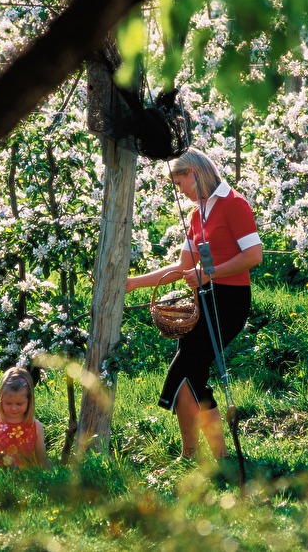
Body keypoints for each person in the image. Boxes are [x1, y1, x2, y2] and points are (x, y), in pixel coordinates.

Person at [125, 148, 262, 462]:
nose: (180, 191)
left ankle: (202, 454)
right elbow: (182, 267)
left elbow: (253, 257)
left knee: (184, 374)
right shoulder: (197, 214)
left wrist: (208, 272)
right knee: (192, 378)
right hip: (202, 301)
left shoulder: (234, 204)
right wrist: (133, 283)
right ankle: (209, 455)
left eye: (180, 182)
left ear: (195, 173)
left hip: (229, 303)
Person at [0, 367, 50, 469]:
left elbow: (42, 459)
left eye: (20, 404)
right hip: (0, 481)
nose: (14, 408)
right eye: (8, 403)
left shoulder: (35, 427)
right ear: (0, 400)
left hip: (29, 481)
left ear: (29, 401)